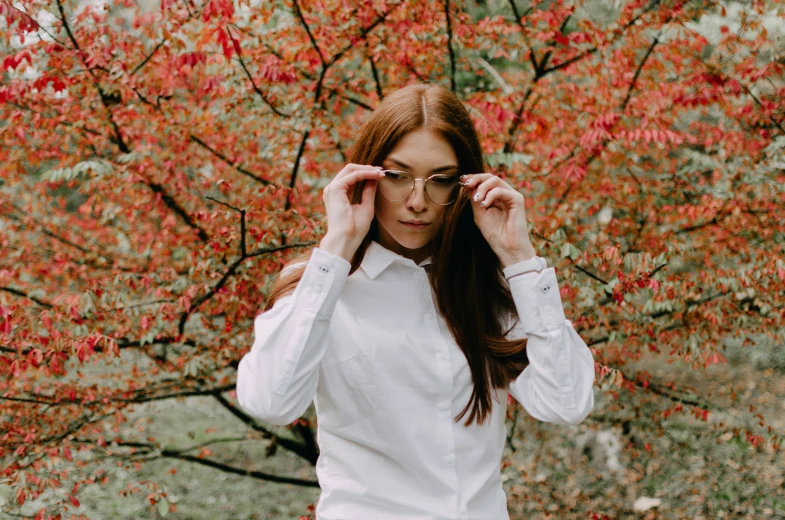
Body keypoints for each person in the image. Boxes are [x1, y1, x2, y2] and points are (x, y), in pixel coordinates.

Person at [236, 83, 596, 519]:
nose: (417, 201)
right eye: (397, 176)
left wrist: (520, 259)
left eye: (441, 180)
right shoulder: (319, 283)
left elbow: (567, 402)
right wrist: (335, 250)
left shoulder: (488, 287)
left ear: (465, 186)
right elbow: (270, 403)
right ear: (366, 175)